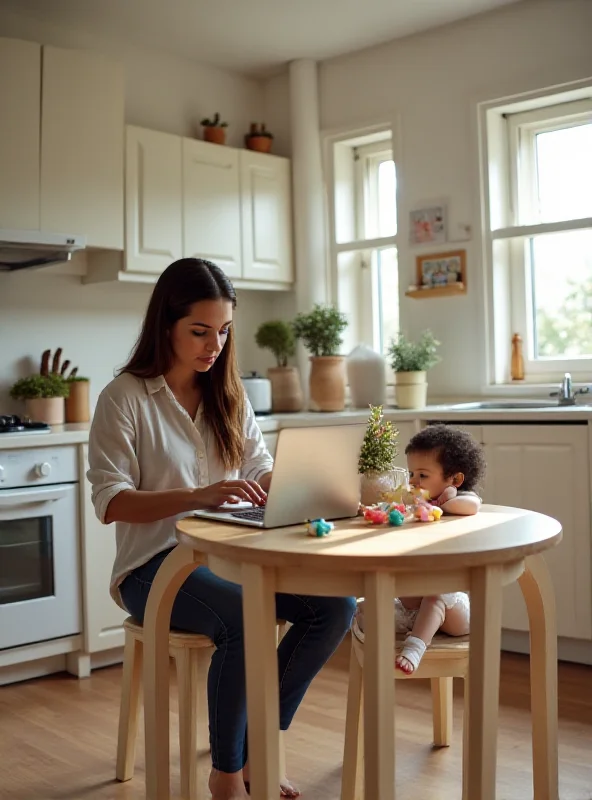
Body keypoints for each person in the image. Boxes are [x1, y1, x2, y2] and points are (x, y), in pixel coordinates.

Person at [87, 258, 356, 800]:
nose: (214, 344)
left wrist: (302, 483)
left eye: (224, 330)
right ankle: (227, 774)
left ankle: (262, 751)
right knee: (245, 620)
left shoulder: (228, 394)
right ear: (167, 324)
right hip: (153, 567)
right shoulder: (125, 398)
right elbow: (111, 502)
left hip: (235, 555)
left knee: (335, 604)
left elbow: (257, 468)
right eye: (200, 331)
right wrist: (196, 496)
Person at [353, 424, 486, 675]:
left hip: (454, 610)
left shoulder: (460, 498)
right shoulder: (418, 502)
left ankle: (415, 647)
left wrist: (444, 500)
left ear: (455, 479)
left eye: (422, 476)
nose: (413, 481)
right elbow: (391, 506)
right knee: (364, 609)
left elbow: (471, 506)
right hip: (415, 605)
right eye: (412, 473)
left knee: (436, 594)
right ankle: (409, 627)